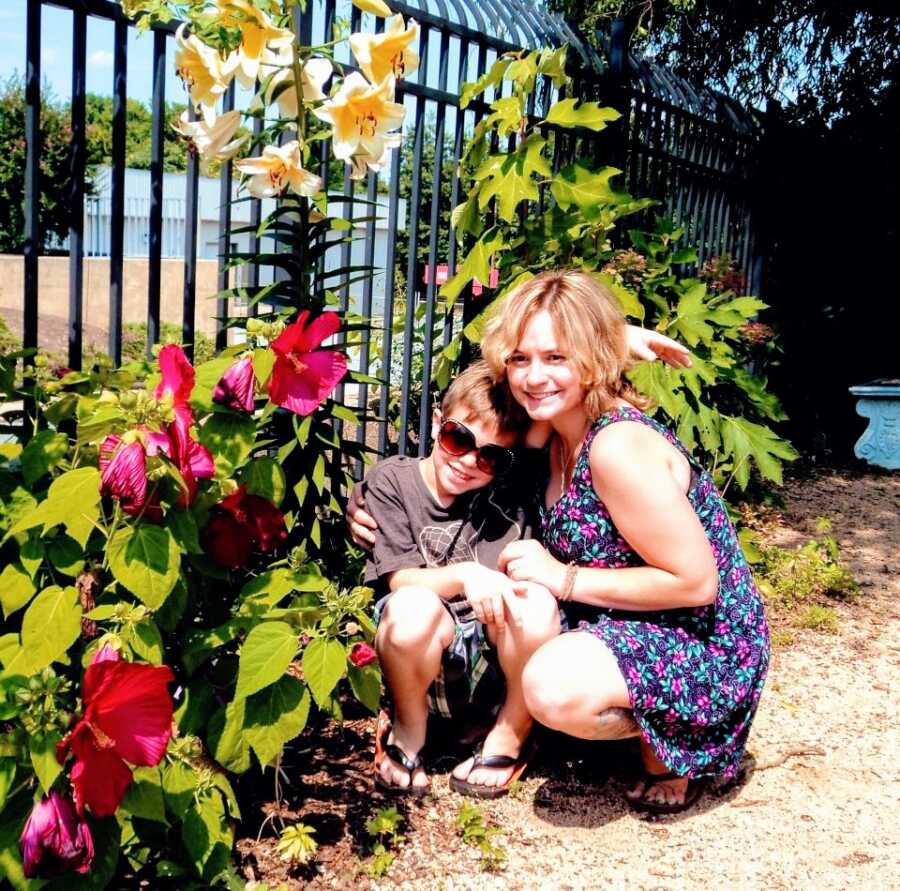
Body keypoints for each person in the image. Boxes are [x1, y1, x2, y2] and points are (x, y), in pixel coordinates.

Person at [480, 269, 770, 814]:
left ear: (592, 362)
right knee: (524, 604)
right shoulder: (557, 428)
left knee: (552, 685)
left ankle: (678, 746)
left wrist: (560, 576)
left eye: (557, 357)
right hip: (623, 617)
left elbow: (695, 583)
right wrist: (613, 341)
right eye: (521, 359)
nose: (532, 376)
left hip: (699, 639)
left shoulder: (616, 447)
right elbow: (481, 396)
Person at [365, 361, 561, 799]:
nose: (470, 461)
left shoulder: (510, 483)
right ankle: (409, 731)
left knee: (534, 603)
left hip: (496, 657)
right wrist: (468, 575)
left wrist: (616, 343)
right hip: (426, 656)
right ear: (437, 422)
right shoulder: (393, 481)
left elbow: (557, 400)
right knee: (410, 606)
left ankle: (508, 735)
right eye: (458, 438)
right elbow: (398, 578)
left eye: (491, 455)